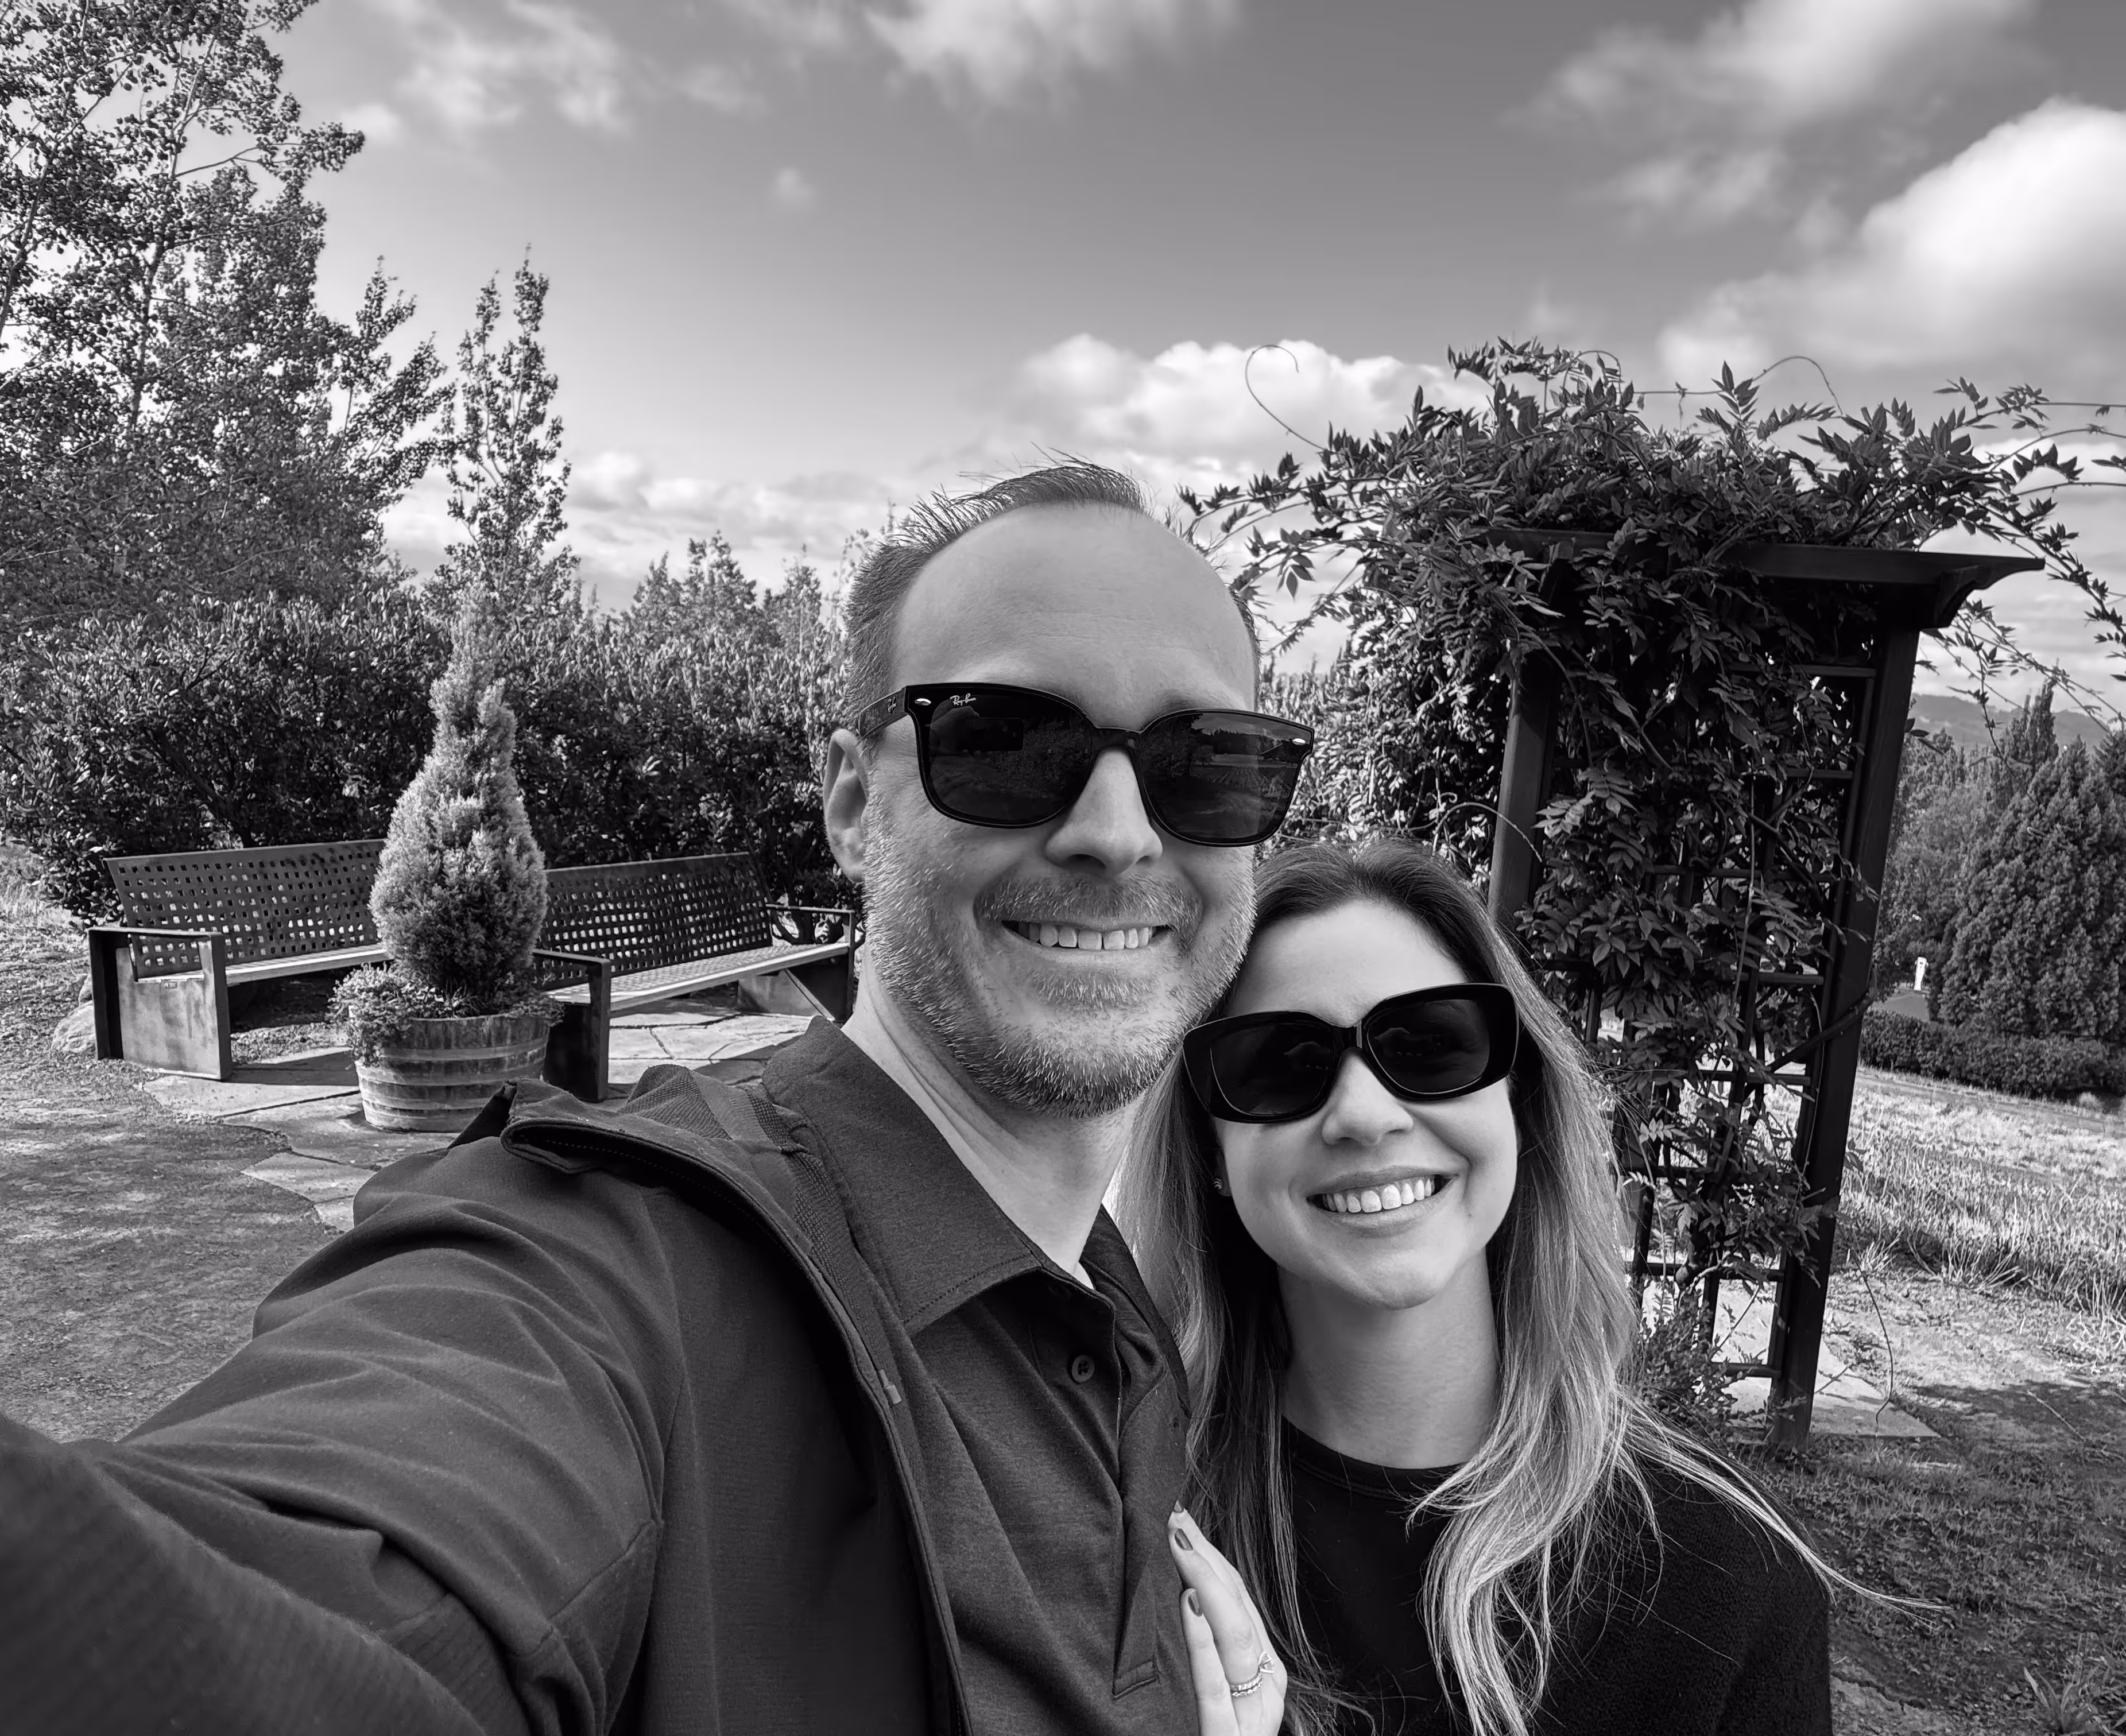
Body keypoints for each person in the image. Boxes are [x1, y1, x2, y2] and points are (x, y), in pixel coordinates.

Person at [1, 463, 1294, 1735]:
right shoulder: (612, 1265)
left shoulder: (1121, 1309)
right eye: (1007, 743)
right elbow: (315, 1583)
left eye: (1211, 760)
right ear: (852, 802)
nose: (1120, 832)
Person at [1119, 839, 1848, 1736]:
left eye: (1429, 1046)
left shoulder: (1728, 1580)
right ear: (1213, 1154)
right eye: (1280, 1064)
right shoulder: (1130, 1522)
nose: (1364, 1115)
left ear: (1517, 1099)